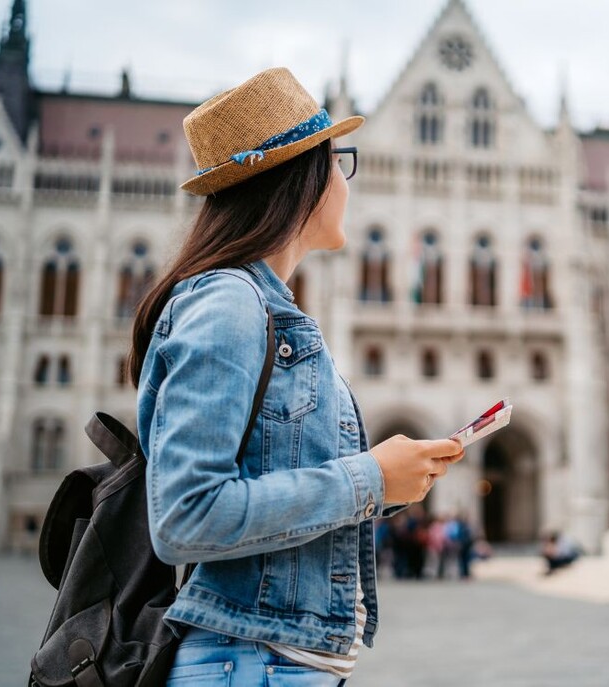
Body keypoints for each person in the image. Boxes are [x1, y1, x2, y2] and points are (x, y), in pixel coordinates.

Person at [129, 68, 464, 686]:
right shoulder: (229, 303)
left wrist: (390, 484)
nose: (345, 182)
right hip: (250, 663)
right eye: (340, 162)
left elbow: (272, 482)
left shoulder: (263, 305)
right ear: (302, 179)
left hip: (274, 662)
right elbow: (186, 515)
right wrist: (369, 477)